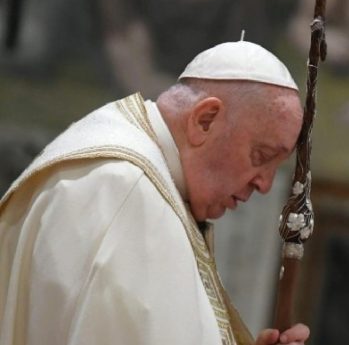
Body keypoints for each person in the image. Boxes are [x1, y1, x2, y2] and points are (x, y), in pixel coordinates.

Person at [0, 40, 311, 345]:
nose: (264, 185)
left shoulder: (135, 173)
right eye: (261, 156)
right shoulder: (122, 189)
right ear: (204, 120)